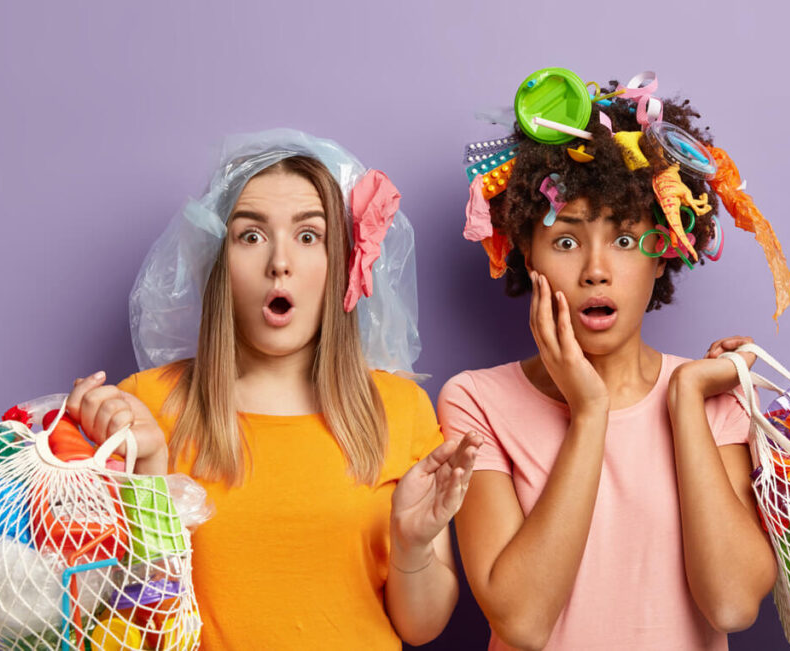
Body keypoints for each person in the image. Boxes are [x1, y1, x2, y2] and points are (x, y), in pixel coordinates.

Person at [64, 129, 481, 649]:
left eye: (310, 236)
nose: (279, 262)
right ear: (218, 263)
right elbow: (106, 615)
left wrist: (412, 546)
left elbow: (422, 628)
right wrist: (130, 469)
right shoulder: (146, 408)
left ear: (342, 265)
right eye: (250, 235)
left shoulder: (400, 410)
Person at [438, 70, 783, 650]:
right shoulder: (476, 402)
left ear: (665, 254)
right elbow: (521, 623)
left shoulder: (712, 397)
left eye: (624, 240)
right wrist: (589, 410)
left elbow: (730, 602)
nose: (596, 270)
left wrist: (688, 400)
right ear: (528, 253)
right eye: (567, 241)